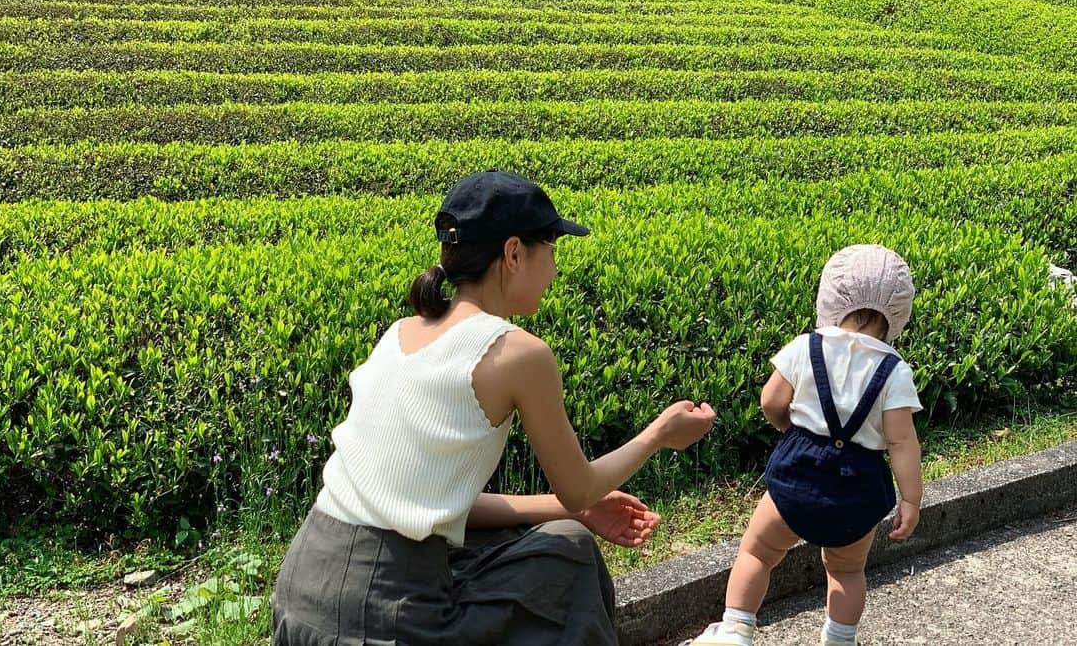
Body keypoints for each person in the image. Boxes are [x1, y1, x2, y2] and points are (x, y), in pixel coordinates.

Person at [271, 169, 716, 646]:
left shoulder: (401, 334)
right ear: (513, 253)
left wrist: (578, 511)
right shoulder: (517, 352)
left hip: (300, 598)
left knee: (559, 533)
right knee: (568, 557)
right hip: (382, 615)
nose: (555, 269)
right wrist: (660, 434)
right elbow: (579, 488)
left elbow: (431, 505)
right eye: (551, 250)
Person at [685, 244, 923, 646]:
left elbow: (772, 401)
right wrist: (911, 499)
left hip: (798, 472)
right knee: (846, 571)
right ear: (897, 311)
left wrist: (788, 427)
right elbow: (902, 441)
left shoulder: (805, 347)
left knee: (758, 553)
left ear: (832, 297)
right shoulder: (894, 371)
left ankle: (736, 630)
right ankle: (839, 639)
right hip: (858, 487)